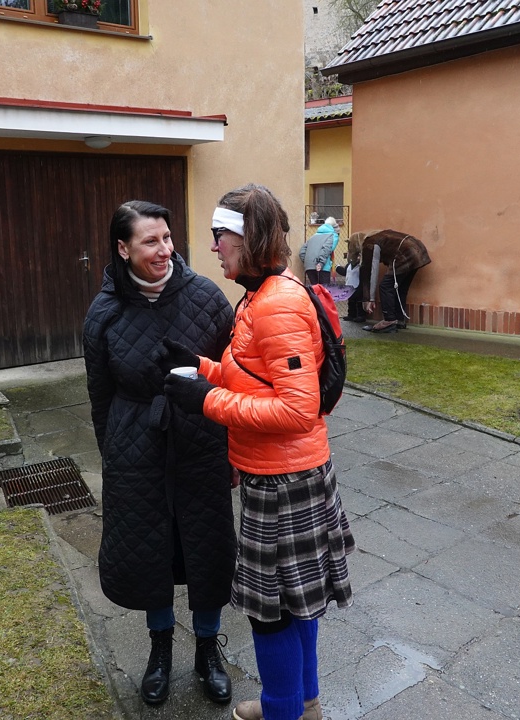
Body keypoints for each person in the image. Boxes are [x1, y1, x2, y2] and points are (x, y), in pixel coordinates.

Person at [159, 184, 354, 720]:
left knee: (271, 614)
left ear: (249, 239)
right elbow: (256, 377)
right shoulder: (260, 295)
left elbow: (297, 409)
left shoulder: (276, 304)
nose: (213, 247)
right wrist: (202, 368)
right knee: (295, 603)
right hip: (285, 473)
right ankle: (303, 706)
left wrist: (207, 400)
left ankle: (283, 710)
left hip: (284, 481)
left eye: (219, 236)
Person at [82, 200, 236, 708]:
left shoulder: (206, 298)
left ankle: (209, 649)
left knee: (207, 547)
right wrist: (112, 455)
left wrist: (234, 450)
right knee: (150, 550)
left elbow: (234, 379)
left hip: (201, 439)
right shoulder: (103, 313)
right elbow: (100, 395)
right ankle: (160, 650)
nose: (164, 249)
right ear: (123, 248)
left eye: (167, 238)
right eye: (150, 241)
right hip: (135, 444)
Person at [359, 228, 430, 333]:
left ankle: (389, 320)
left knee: (385, 286)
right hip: (419, 251)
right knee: (399, 288)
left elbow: (371, 270)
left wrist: (369, 298)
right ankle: (399, 320)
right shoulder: (384, 236)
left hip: (406, 254)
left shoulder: (369, 243)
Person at [297, 219, 336, 286]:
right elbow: (326, 250)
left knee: (315, 289)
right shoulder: (331, 236)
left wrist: (308, 262)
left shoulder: (312, 237)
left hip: (309, 267)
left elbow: (302, 252)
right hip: (323, 268)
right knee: (324, 289)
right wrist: (320, 263)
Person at [337, 232, 365, 322]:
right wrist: (337, 267)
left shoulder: (361, 265)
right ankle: (351, 315)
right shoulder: (349, 264)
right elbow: (345, 272)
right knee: (351, 301)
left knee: (359, 301)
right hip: (349, 285)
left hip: (358, 286)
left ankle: (360, 316)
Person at [318, 217, 340, 286]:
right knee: (325, 288)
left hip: (313, 264)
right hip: (324, 265)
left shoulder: (318, 233)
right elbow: (329, 249)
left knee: (316, 287)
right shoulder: (334, 235)